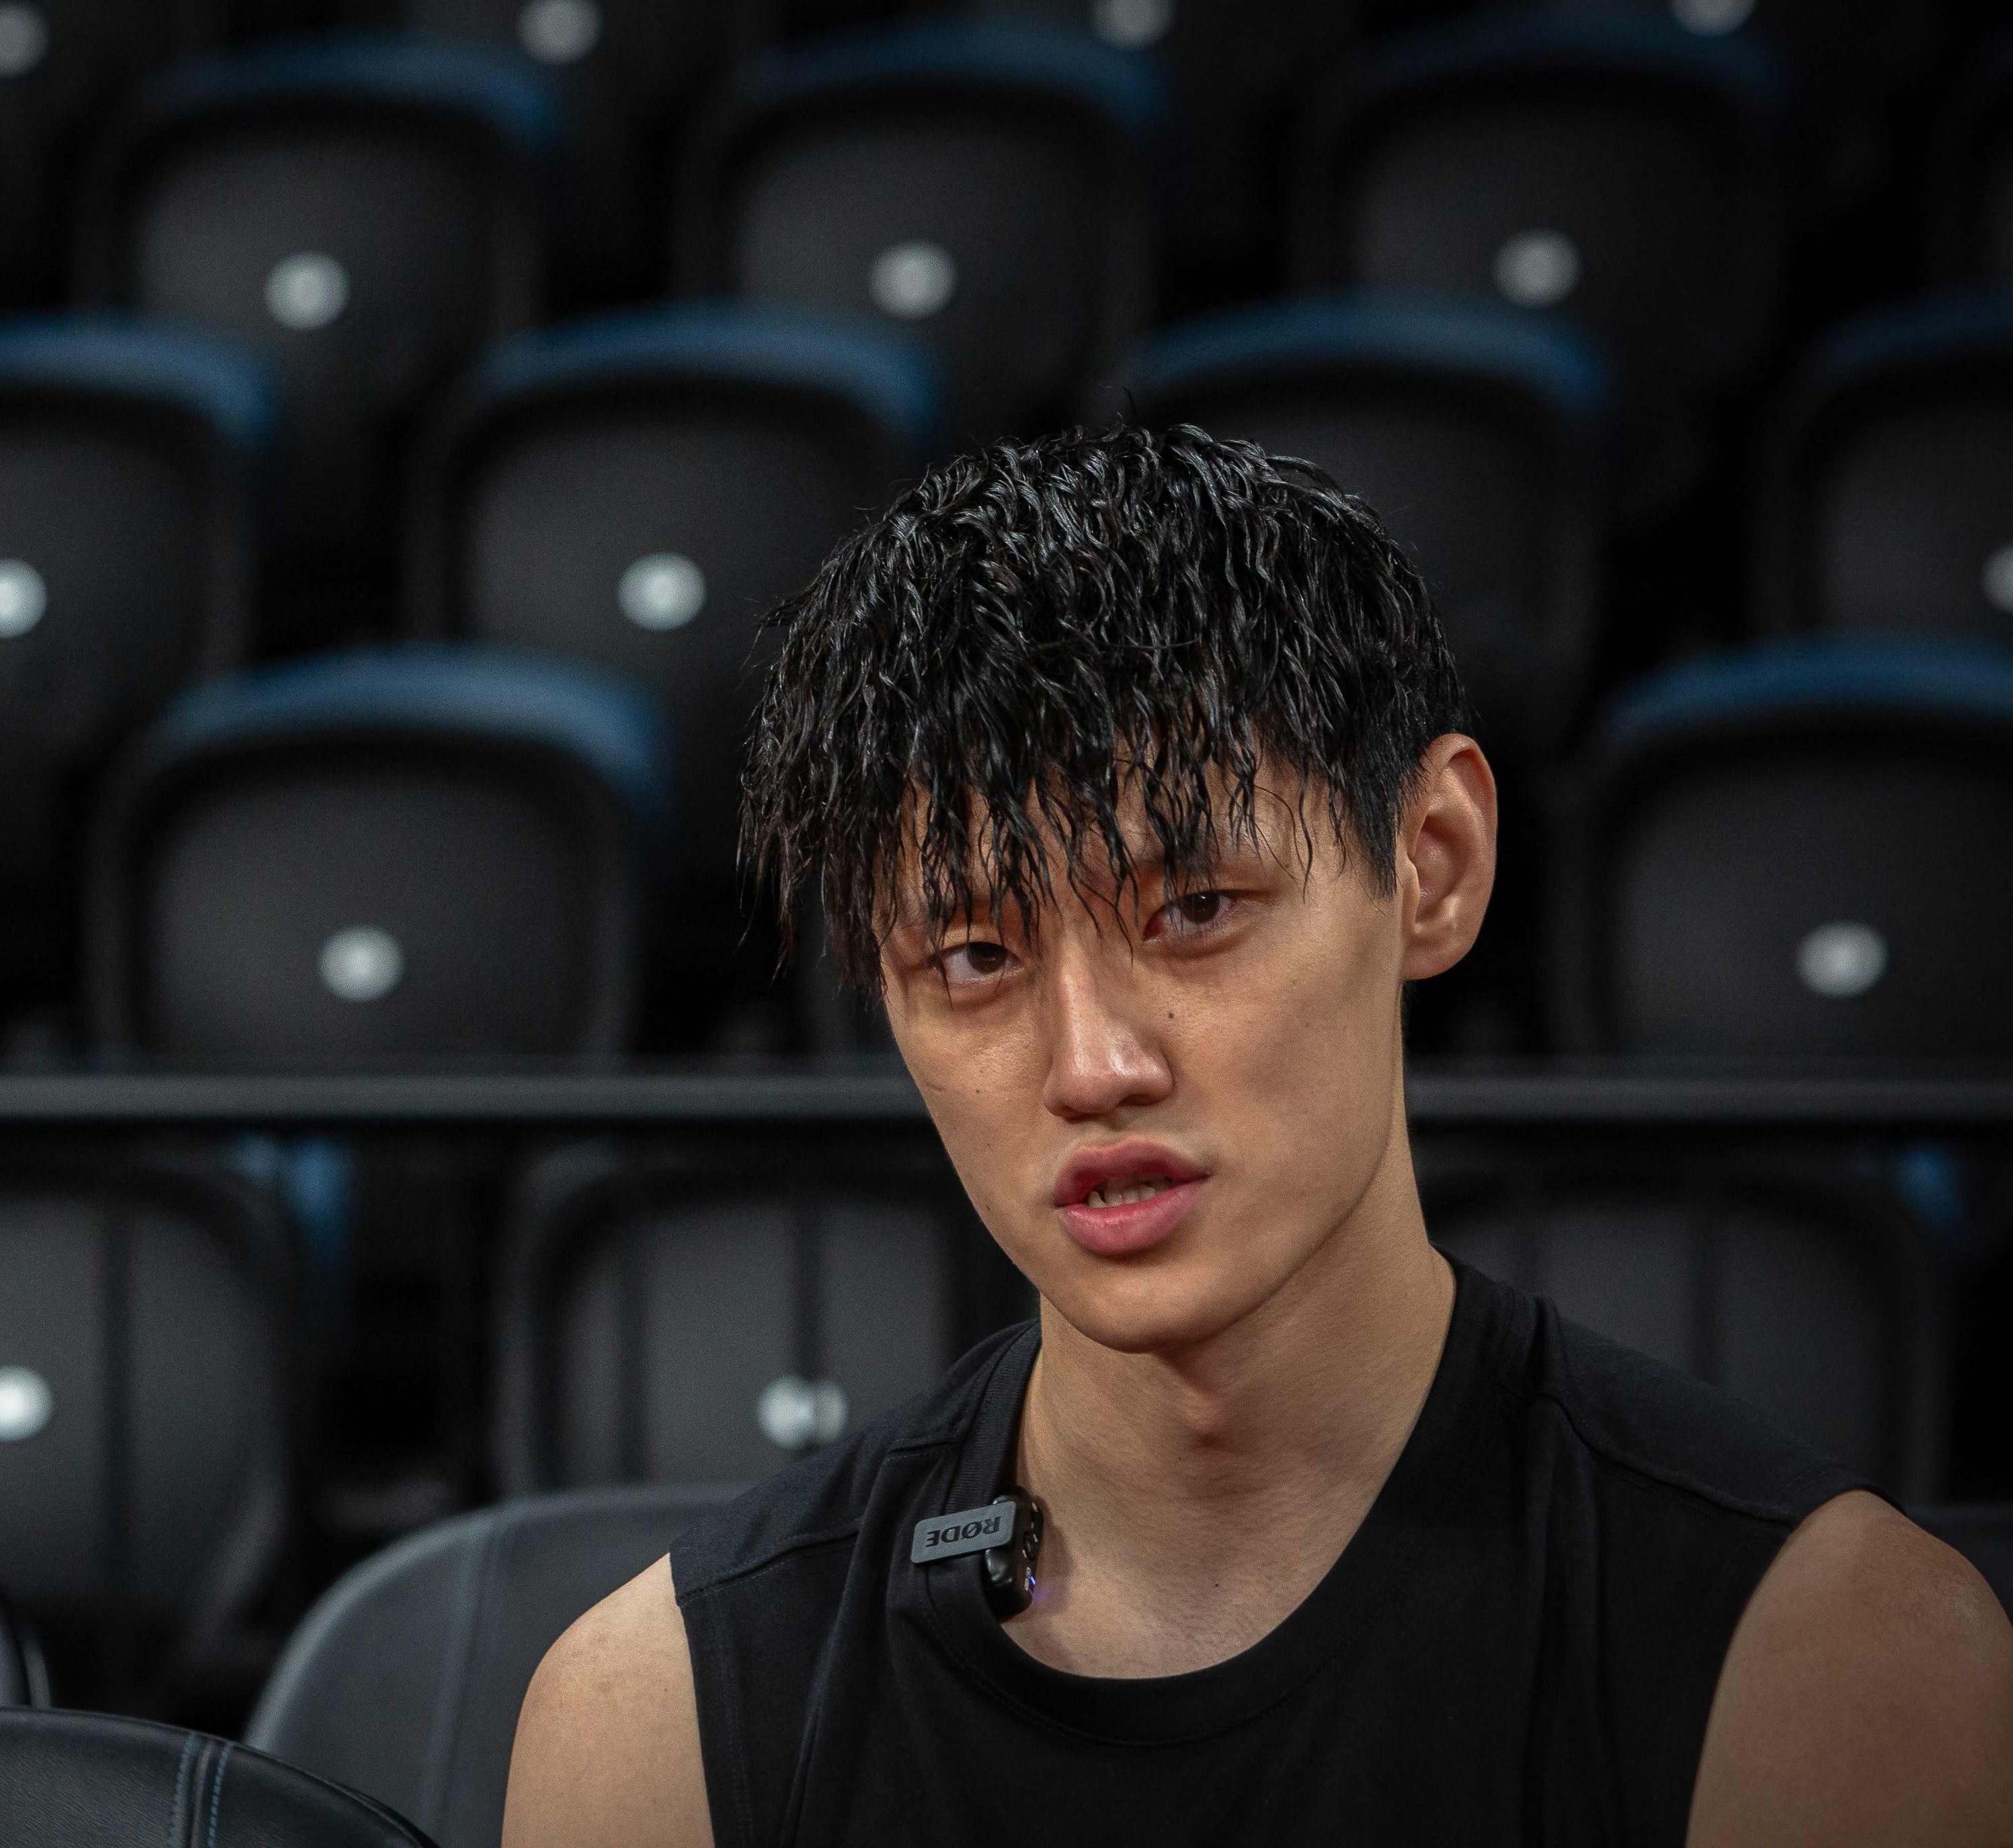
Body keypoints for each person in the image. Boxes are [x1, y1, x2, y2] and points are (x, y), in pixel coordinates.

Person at [499, 426, 2013, 1846]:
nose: (1092, 1065)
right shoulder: (655, 1719)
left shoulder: (1828, 1664)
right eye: (973, 957)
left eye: (1194, 910)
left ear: (1432, 863)